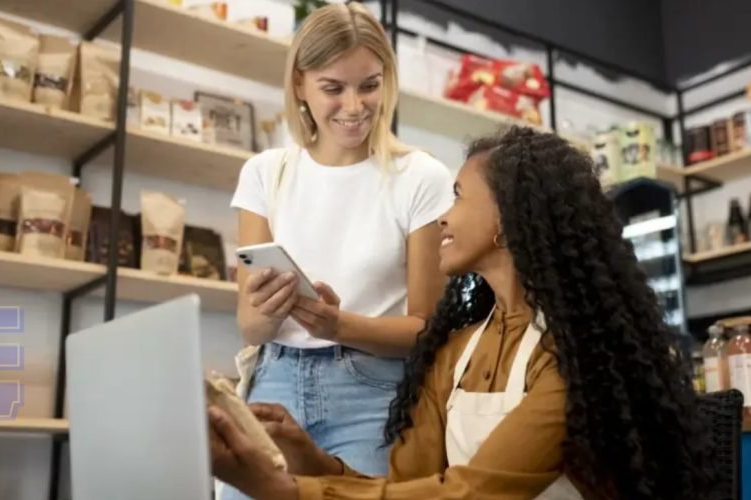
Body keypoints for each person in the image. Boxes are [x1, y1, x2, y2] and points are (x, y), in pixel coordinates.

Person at [210, 126, 712, 500]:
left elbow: (469, 493)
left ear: (506, 219)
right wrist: (304, 454)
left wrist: (281, 488)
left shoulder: (572, 359)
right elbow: (407, 487)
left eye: (457, 196)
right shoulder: (457, 350)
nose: (443, 216)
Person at [223, 3, 453, 498]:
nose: (354, 106)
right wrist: (268, 309)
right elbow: (250, 326)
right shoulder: (266, 174)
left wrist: (338, 325)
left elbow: (426, 329)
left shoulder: (421, 178)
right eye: (334, 88)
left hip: (373, 394)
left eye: (369, 85)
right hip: (274, 380)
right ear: (301, 85)